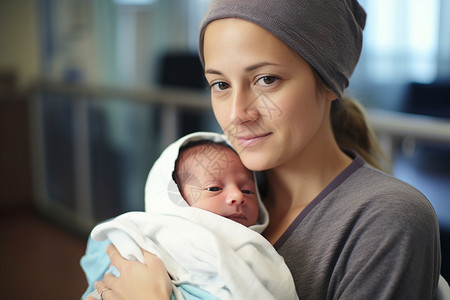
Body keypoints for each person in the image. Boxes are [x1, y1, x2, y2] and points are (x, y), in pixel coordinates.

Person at [90, 0, 444, 299]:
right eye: (220, 84)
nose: (235, 114)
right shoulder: (211, 189)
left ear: (328, 81)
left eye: (266, 79)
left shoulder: (385, 221)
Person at [83, 132, 298, 300]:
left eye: (248, 191)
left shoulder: (254, 249)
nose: (237, 196)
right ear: (174, 200)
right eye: (214, 188)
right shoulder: (145, 236)